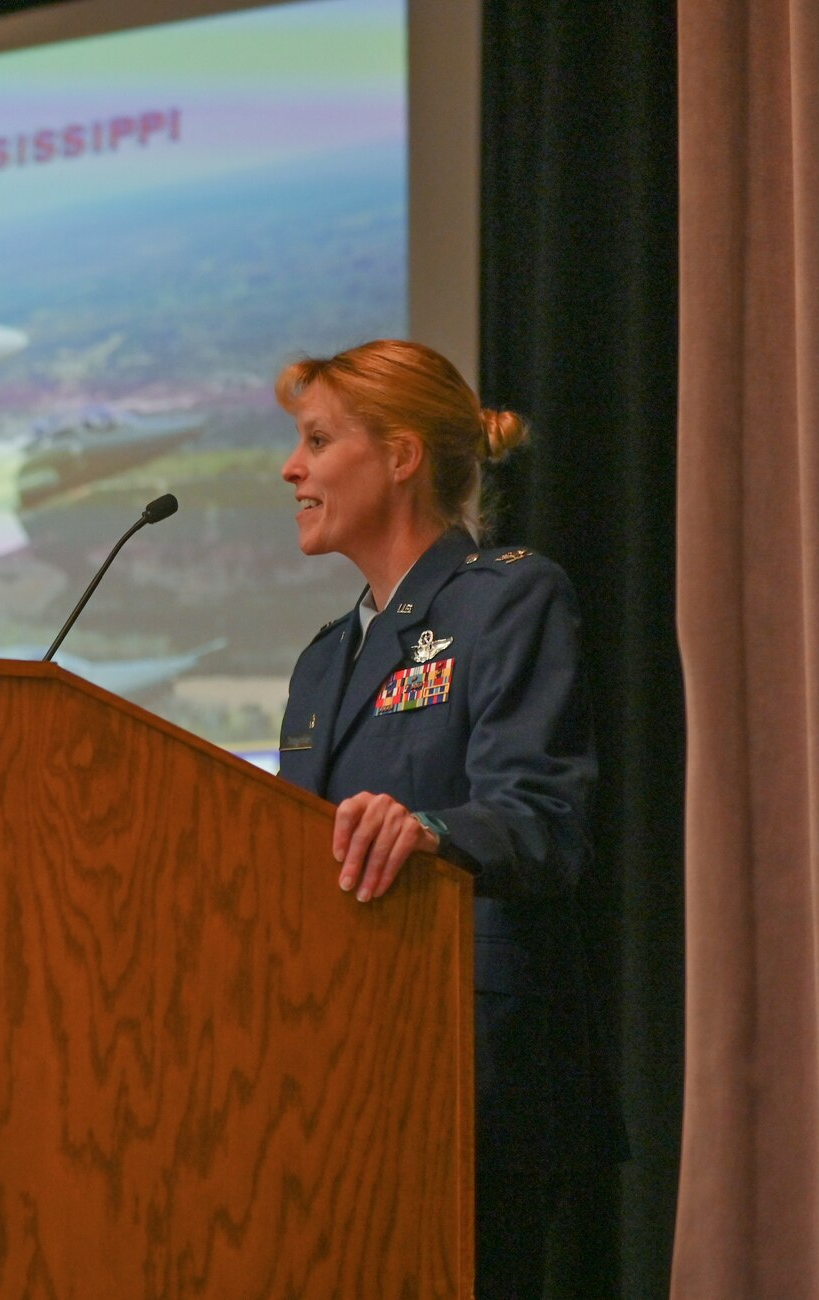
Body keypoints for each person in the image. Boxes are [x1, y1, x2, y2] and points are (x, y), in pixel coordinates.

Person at [271, 339, 624, 1298]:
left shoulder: (510, 597)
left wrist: (430, 831)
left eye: (315, 440)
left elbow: (546, 823)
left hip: (474, 1082)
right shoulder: (319, 661)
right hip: (330, 1080)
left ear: (400, 455)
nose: (290, 468)